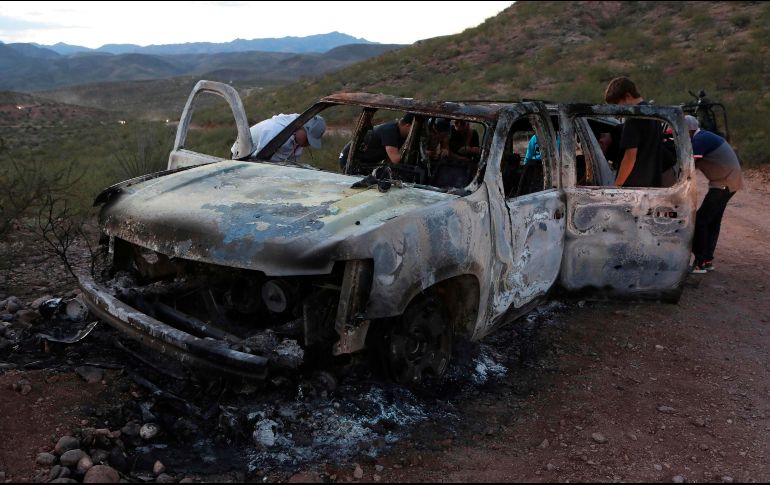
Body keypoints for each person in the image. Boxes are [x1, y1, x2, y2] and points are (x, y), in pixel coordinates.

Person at [685, 115, 743, 274]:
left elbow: (689, 166)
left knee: (701, 220)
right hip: (728, 180)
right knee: (713, 221)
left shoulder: (699, 140)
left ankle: (700, 262)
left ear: (688, 131)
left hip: (724, 182)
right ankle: (707, 260)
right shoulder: (704, 137)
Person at [603, 76, 663, 187]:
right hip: (652, 184)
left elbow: (630, 156)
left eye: (616, 105)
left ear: (627, 96)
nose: (616, 112)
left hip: (633, 187)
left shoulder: (633, 119)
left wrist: (617, 186)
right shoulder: (655, 114)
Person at [231, 113, 326, 162]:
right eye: (308, 139)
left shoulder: (296, 136)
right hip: (241, 158)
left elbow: (291, 162)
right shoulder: (275, 130)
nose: (307, 143)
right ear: (302, 126)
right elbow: (258, 160)